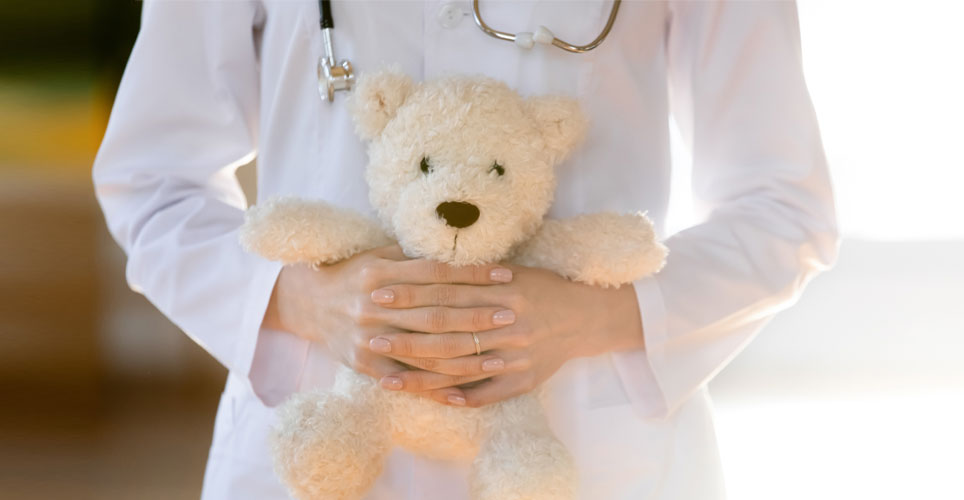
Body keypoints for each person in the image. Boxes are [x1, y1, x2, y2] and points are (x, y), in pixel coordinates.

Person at [92, 1, 838, 499]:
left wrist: (599, 317)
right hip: (320, 427)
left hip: (590, 445)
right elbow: (151, 179)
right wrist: (303, 302)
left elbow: (783, 205)